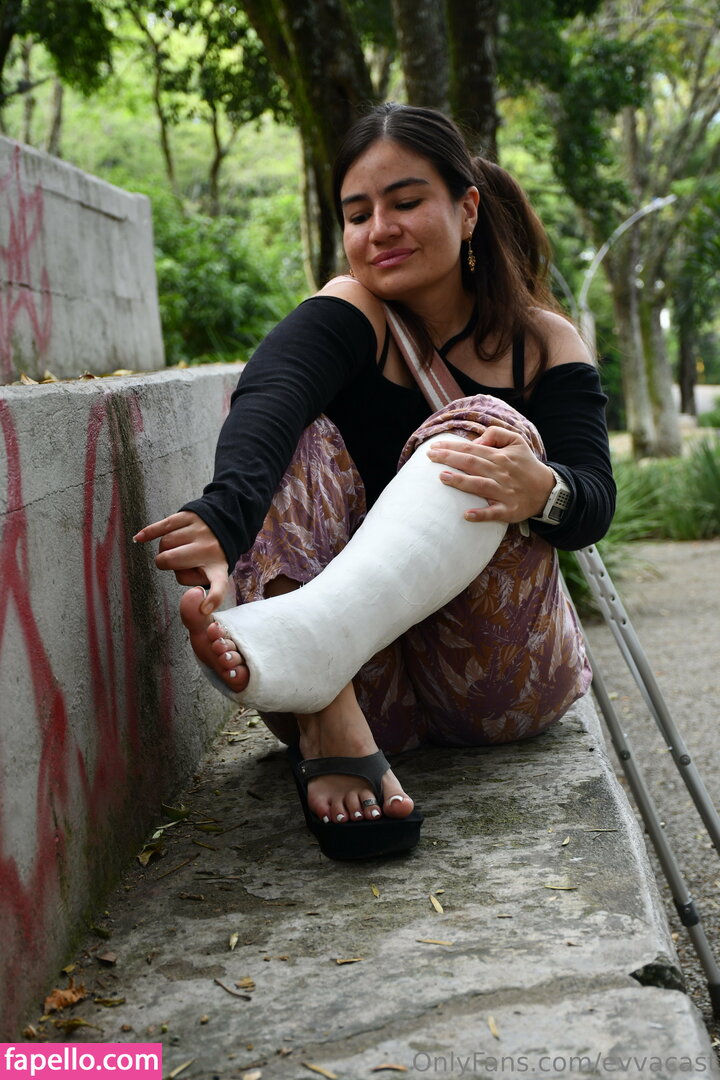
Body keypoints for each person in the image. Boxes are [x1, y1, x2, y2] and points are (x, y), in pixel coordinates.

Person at [134, 103, 615, 860]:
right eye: (358, 215)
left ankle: (311, 643)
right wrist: (223, 519)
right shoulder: (353, 309)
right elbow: (273, 392)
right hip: (368, 697)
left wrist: (544, 491)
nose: (380, 229)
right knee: (299, 434)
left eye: (406, 202)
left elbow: (593, 502)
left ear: (467, 209)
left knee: (484, 424)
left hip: (498, 681)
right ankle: (324, 696)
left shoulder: (542, 341)